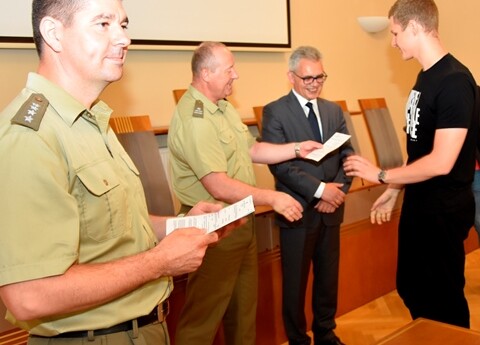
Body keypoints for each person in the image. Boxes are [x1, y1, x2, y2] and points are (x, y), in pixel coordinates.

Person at [0, 1, 239, 344]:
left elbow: (115, 229)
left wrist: (183, 224)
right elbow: (28, 295)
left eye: (123, 25)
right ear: (53, 33)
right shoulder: (30, 135)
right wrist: (158, 262)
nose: (123, 38)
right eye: (103, 24)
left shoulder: (92, 120)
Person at [167, 41, 322, 345]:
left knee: (242, 313)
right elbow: (218, 185)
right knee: (203, 318)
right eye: (229, 69)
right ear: (207, 73)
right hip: (213, 227)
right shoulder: (195, 118)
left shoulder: (222, 108)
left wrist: (295, 149)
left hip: (240, 222)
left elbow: (250, 149)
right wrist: (272, 197)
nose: (235, 75)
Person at [343, 0, 478, 328]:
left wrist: (380, 173)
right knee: (412, 287)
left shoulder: (455, 81)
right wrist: (393, 188)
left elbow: (442, 162)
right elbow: (419, 147)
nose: (393, 41)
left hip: (443, 209)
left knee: (443, 300)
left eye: (396, 32)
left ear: (415, 27)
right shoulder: (425, 76)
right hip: (421, 203)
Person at [261, 46, 353, 345]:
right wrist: (320, 192)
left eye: (320, 77)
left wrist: (337, 191)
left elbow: (348, 155)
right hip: (297, 211)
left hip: (332, 209)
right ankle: (298, 339)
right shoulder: (275, 111)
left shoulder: (333, 110)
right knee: (295, 284)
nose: (315, 83)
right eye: (308, 78)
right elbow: (281, 166)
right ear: (291, 77)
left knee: (328, 279)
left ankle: (326, 333)